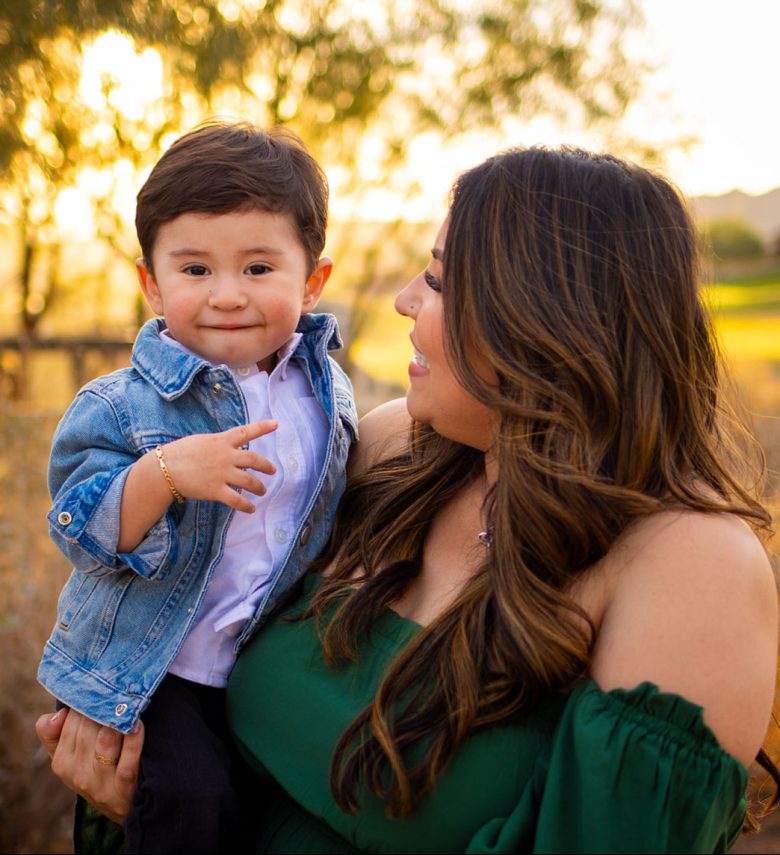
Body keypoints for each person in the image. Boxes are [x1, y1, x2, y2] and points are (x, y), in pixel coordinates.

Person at [37, 145, 778, 853]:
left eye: (439, 280)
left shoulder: (691, 565)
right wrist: (149, 798)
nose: (403, 301)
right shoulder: (393, 451)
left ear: (547, 319)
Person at [36, 120, 357, 853]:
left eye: (257, 268)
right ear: (151, 283)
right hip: (152, 668)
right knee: (188, 804)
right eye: (195, 270)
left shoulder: (327, 395)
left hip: (257, 661)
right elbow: (77, 528)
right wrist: (167, 473)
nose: (227, 295)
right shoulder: (122, 404)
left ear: (312, 281)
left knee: (271, 804)